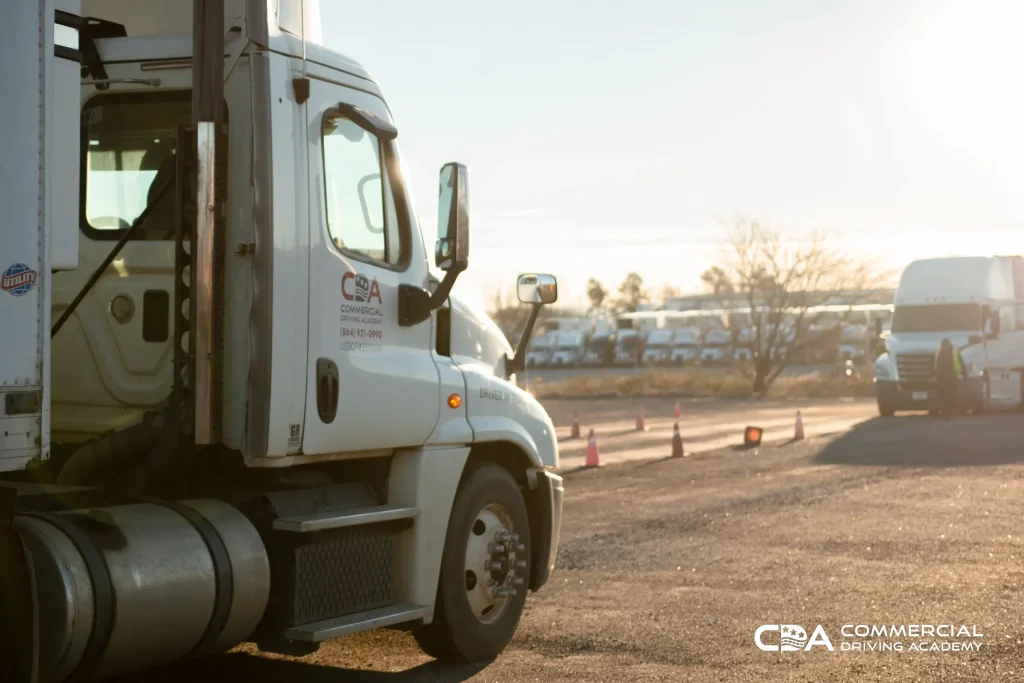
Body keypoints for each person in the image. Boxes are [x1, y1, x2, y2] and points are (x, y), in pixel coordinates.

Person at [934, 338, 966, 419]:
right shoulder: (938, 352)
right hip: (942, 378)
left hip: (951, 377)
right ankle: (946, 411)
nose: (944, 347)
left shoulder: (954, 352)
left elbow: (960, 362)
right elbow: (935, 364)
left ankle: (948, 411)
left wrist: (964, 373)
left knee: (951, 395)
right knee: (945, 395)